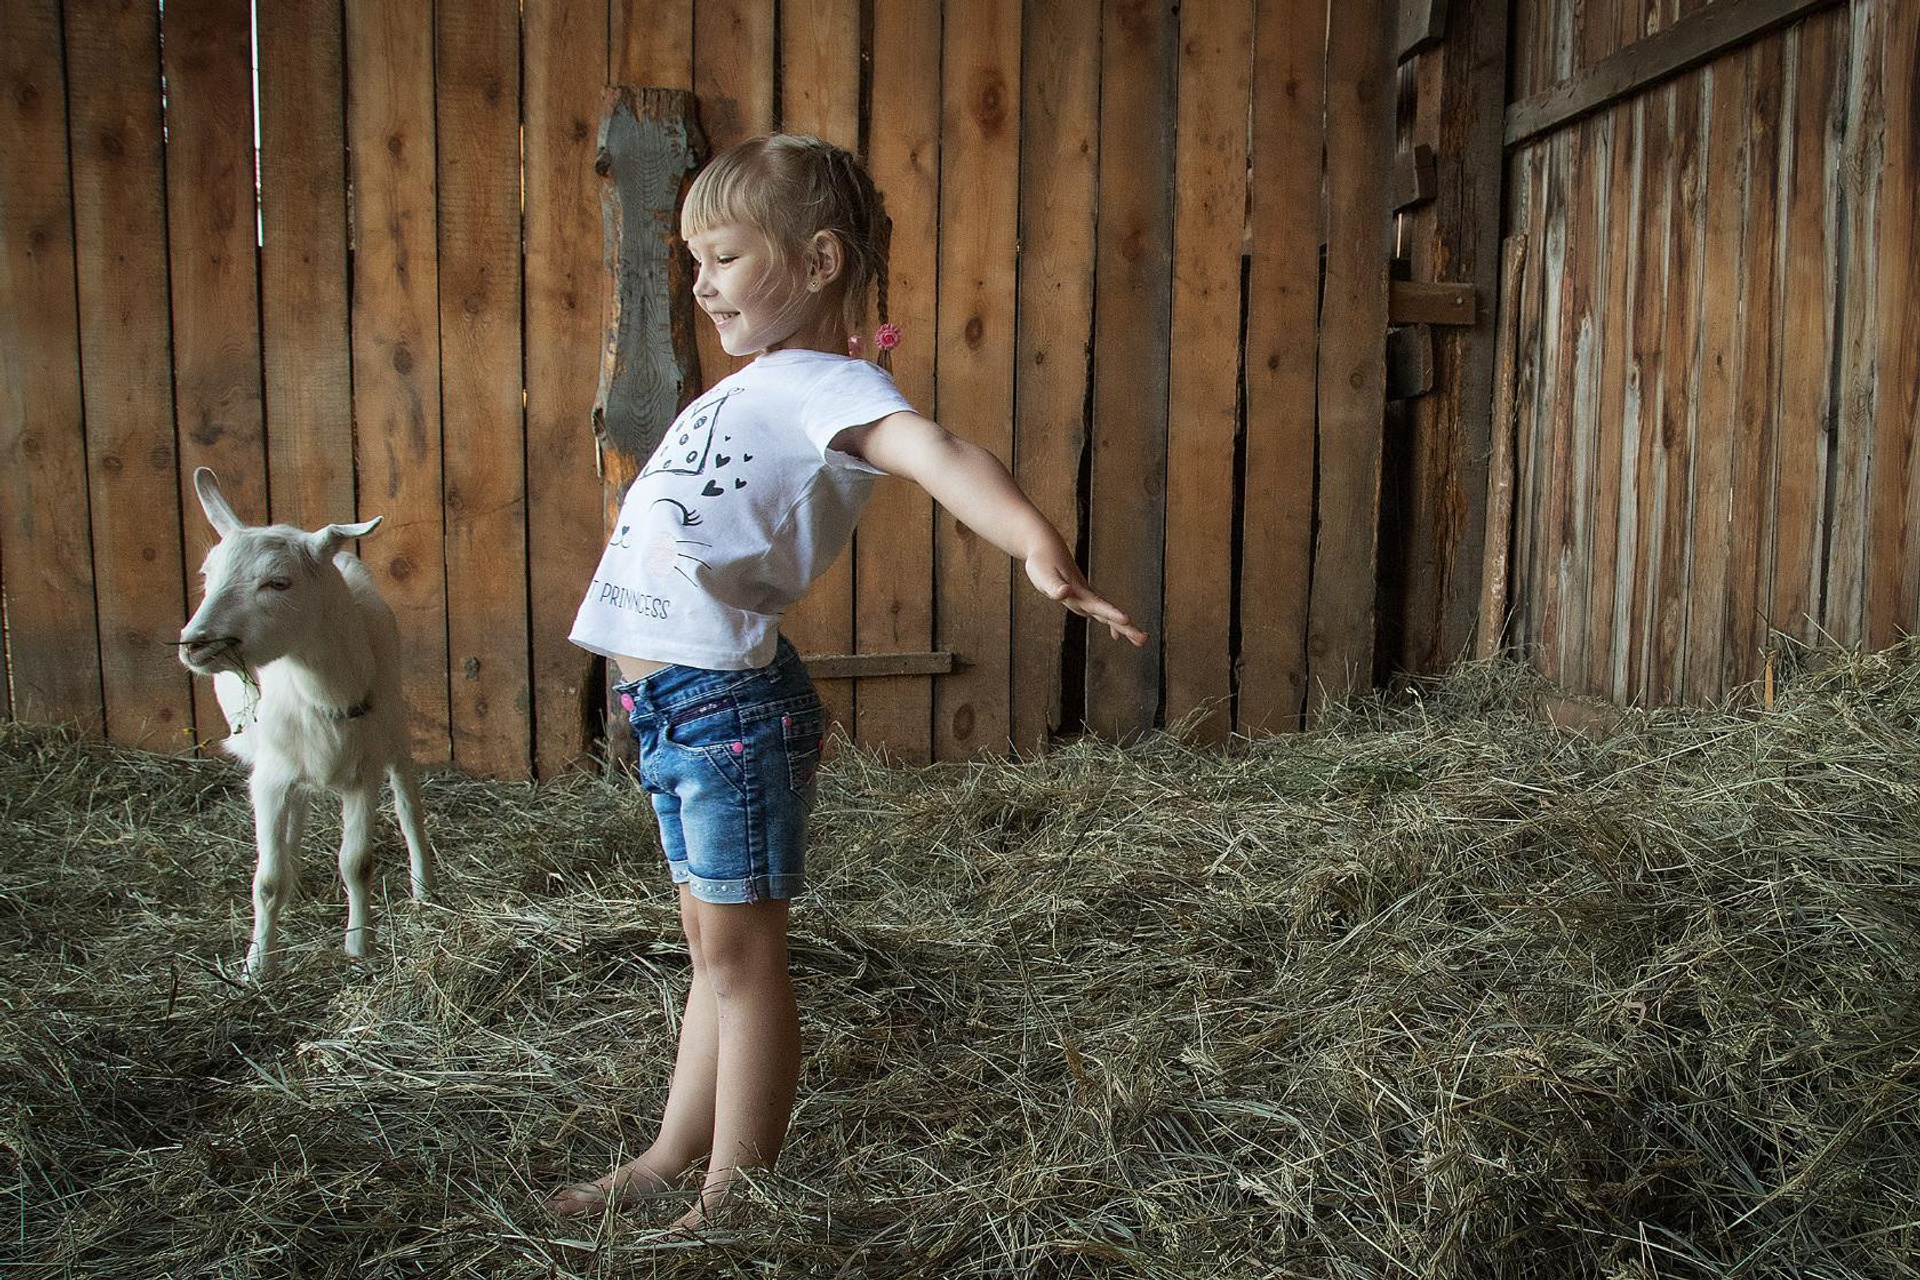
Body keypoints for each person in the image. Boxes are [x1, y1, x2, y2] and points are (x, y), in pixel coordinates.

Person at [547, 133, 1146, 1230]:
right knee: (707, 942)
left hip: (725, 706)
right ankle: (674, 1151)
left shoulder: (834, 384)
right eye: (694, 260)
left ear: (818, 261)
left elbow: (937, 448)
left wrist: (1033, 540)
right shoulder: (759, 384)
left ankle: (734, 1194)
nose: (700, 281)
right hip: (671, 707)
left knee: (741, 952)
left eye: (723, 256)